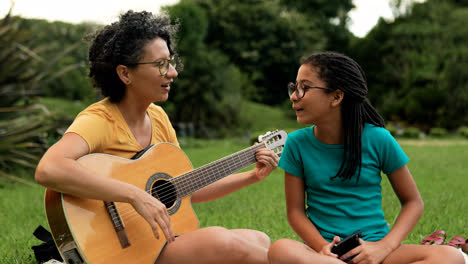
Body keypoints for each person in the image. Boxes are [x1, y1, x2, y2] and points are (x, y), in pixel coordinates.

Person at [34, 10, 279, 264]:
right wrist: (134, 195)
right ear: (125, 74)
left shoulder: (159, 118)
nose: (172, 72)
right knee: (227, 243)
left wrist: (251, 175)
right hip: (117, 251)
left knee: (258, 239)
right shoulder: (100, 120)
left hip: (153, 243)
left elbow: (184, 190)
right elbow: (49, 168)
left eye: (171, 62)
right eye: (161, 64)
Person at [267, 52, 465, 264]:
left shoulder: (378, 139)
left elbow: (413, 202)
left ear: (336, 97)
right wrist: (322, 248)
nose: (294, 96)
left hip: (376, 252)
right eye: (294, 87)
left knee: (450, 256)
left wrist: (383, 247)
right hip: (322, 256)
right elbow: (295, 211)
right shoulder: (297, 144)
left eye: (304, 87)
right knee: (280, 249)